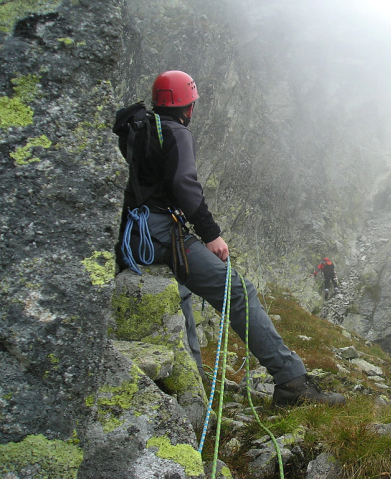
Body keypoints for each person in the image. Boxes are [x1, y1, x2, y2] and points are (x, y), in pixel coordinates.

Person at [114, 70, 344, 407]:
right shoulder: (176, 133)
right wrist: (211, 235)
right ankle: (291, 383)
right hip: (160, 232)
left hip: (131, 235)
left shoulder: (139, 127)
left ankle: (192, 381)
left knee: (181, 295)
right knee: (238, 291)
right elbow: (185, 187)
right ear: (187, 106)